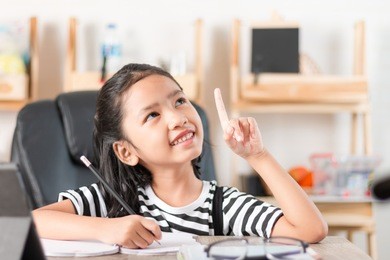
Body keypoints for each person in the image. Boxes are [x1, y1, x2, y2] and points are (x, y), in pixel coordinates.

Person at [32, 63, 327, 249]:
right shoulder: (112, 200)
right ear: (126, 151)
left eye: (180, 101)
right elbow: (33, 221)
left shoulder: (222, 205)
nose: (177, 118)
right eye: (152, 115)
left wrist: (258, 155)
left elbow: (310, 230)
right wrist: (108, 229)